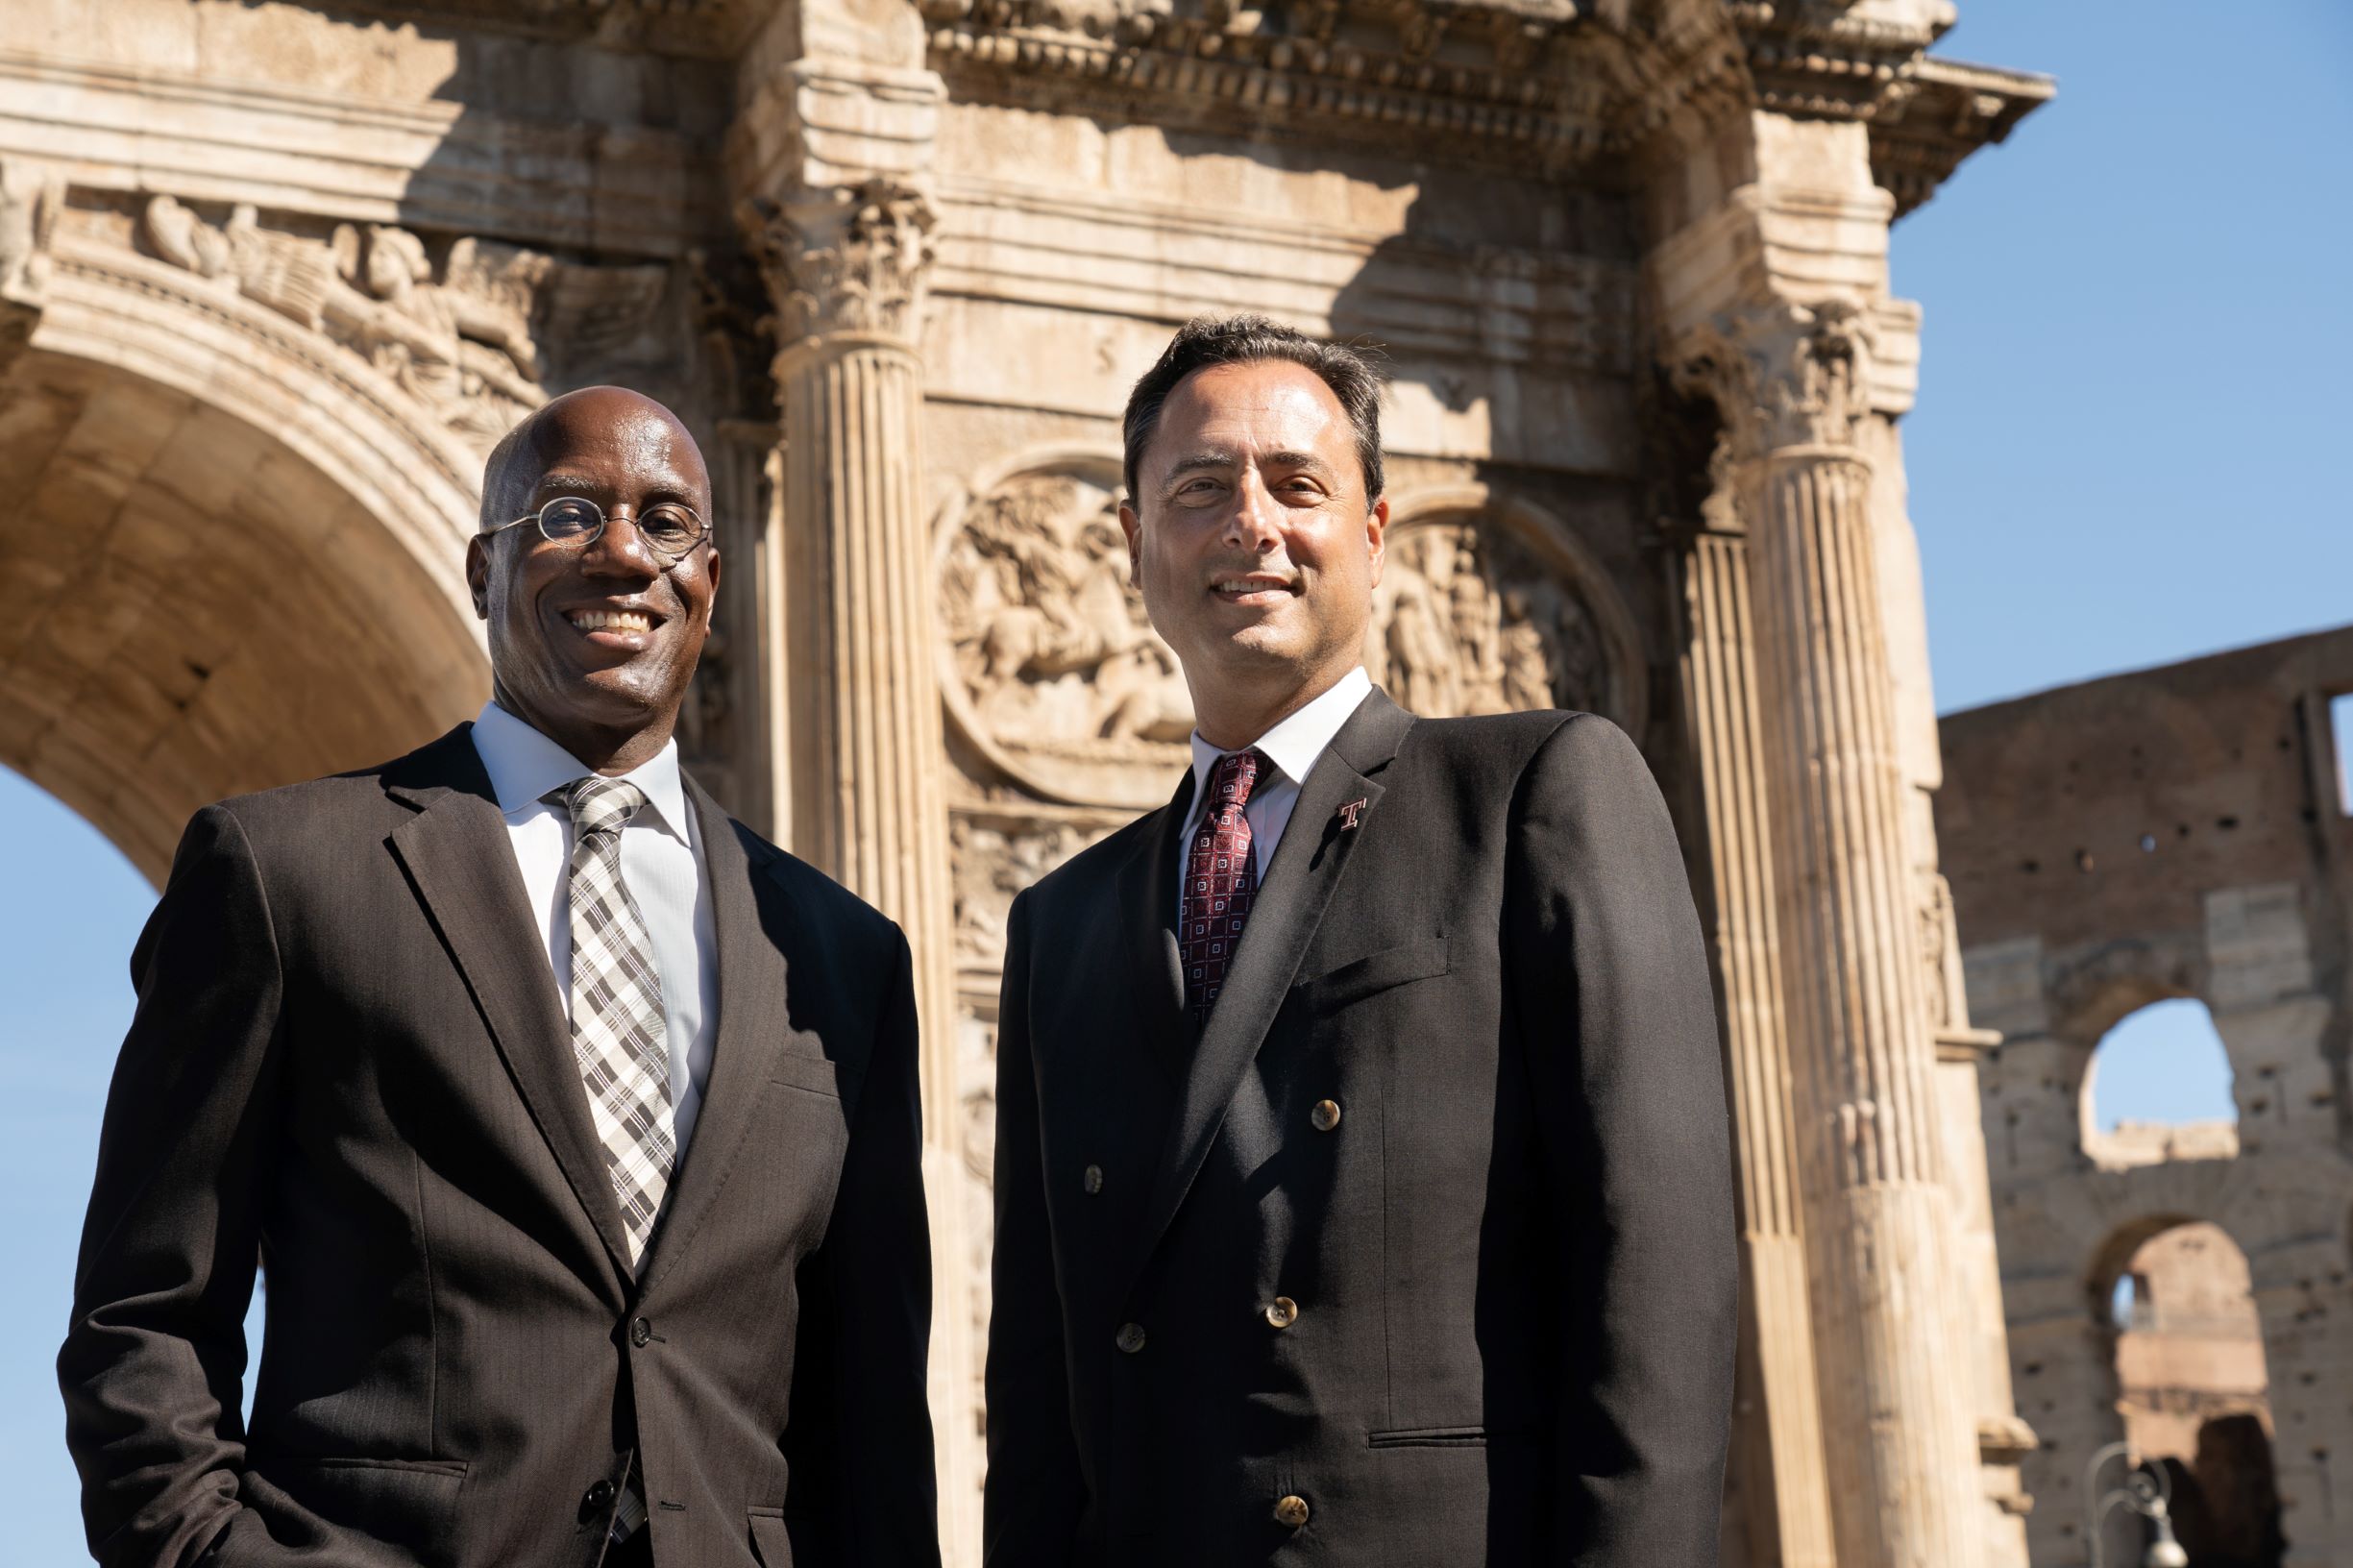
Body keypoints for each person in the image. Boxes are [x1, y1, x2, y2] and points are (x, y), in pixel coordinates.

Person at [59, 387, 940, 1568]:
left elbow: (870, 1403)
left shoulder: (843, 952)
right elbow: (144, 1315)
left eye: (667, 521)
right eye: (570, 514)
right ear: (484, 570)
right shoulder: (284, 872)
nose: (624, 552)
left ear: (711, 584)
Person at [983, 317, 1736, 1565]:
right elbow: (1040, 1380)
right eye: (1200, 489)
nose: (1252, 523)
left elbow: (1656, 1275)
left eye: (1297, 485)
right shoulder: (1057, 921)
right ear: (1129, 541)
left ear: (1374, 532)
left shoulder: (1529, 794)